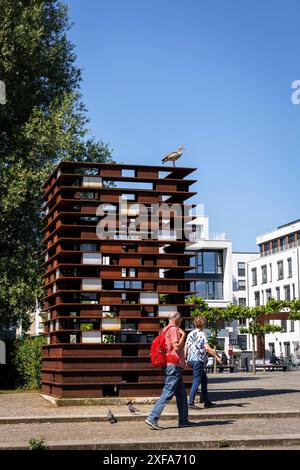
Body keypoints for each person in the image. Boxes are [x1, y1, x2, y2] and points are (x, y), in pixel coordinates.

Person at [145, 311, 190, 430]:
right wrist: (184, 336)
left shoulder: (164, 329)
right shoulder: (174, 329)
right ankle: (152, 418)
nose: (181, 320)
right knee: (167, 393)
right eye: (181, 318)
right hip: (173, 365)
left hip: (170, 364)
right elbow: (176, 347)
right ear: (177, 319)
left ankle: (183, 421)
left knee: (181, 395)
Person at [184, 316, 222, 409]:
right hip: (198, 360)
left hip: (191, 360)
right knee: (197, 380)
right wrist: (217, 357)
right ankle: (190, 402)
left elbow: (186, 347)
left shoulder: (190, 334)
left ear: (195, 324)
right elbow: (208, 348)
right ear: (204, 324)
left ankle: (207, 401)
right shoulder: (202, 335)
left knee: (204, 380)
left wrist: (185, 358)